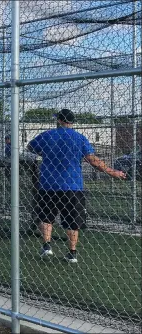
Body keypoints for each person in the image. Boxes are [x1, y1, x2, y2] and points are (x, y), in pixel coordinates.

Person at [27, 109, 126, 263]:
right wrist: (113, 172)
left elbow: (31, 147)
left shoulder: (47, 135)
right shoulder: (79, 138)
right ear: (71, 122)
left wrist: (47, 153)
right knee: (72, 220)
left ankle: (47, 246)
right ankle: (72, 253)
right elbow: (93, 160)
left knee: (46, 217)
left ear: (59, 120)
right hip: (72, 186)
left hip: (48, 185)